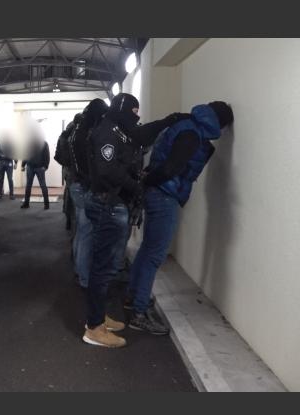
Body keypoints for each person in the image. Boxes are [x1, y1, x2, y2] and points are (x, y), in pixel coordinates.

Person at [82, 93, 193, 348]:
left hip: (112, 203)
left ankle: (98, 316)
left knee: (108, 266)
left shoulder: (119, 129)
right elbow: (107, 171)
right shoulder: (107, 132)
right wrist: (136, 186)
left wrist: (168, 121)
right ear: (123, 109)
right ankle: (94, 328)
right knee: (103, 268)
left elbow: (142, 135)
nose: (137, 116)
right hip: (107, 205)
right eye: (134, 112)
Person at [126, 101, 234, 335]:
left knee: (147, 249)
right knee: (154, 255)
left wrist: (148, 181)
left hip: (158, 193)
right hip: (164, 196)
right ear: (218, 123)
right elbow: (170, 169)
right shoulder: (192, 135)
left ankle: (133, 297)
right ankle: (139, 312)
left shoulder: (187, 125)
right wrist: (150, 181)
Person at [66, 101, 109, 290]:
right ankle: (84, 278)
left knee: (81, 231)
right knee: (86, 232)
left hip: (76, 183)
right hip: (85, 186)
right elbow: (89, 165)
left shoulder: (76, 131)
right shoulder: (87, 134)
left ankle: (79, 269)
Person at [20, 139, 50, 210]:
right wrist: (23, 165)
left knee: (40, 185)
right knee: (32, 186)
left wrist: (45, 166)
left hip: (37, 167)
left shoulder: (43, 143)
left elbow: (46, 155)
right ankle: (45, 205)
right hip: (33, 167)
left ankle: (45, 204)